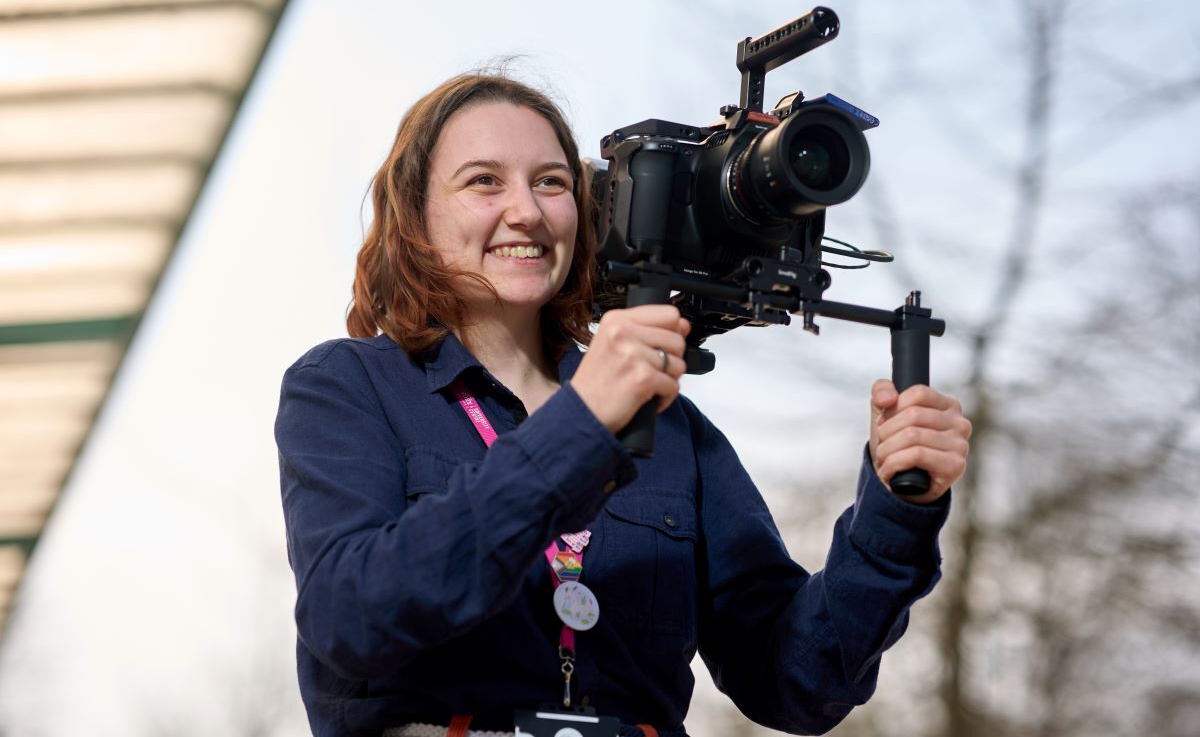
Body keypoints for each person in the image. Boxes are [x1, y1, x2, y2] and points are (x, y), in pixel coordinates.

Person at [275, 71, 972, 737]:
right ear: (415, 216)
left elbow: (797, 681)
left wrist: (894, 510)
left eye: (551, 183)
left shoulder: (672, 428)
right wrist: (580, 426)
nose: (526, 210)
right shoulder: (347, 386)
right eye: (483, 181)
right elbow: (351, 616)